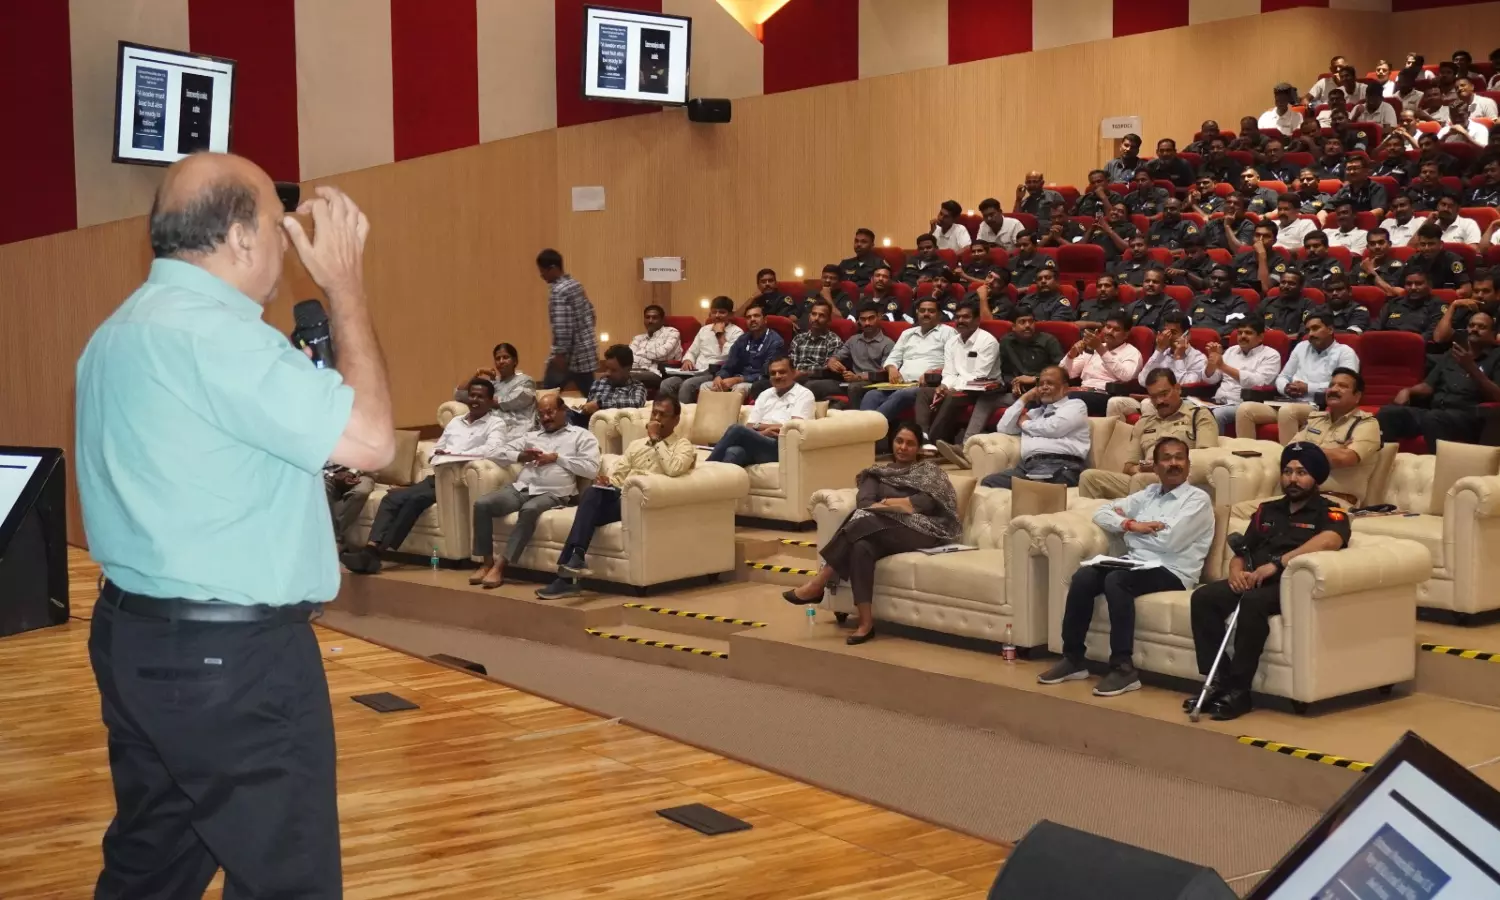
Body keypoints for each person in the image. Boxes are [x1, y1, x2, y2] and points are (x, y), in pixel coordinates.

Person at [76, 155, 391, 896]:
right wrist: (346, 289)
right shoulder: (219, 338)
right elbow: (374, 442)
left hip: (134, 638)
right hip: (232, 664)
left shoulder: (118, 331)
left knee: (152, 867)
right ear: (242, 238)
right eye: (279, 226)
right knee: (287, 878)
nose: (287, 242)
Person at [1189, 443, 1351, 721]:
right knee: (1204, 598)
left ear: (1316, 478)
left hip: (1288, 585)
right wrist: (1236, 571)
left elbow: (1331, 541)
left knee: (1252, 603)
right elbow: (1243, 550)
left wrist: (1278, 564)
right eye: (1287, 471)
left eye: (1301, 473)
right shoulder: (1267, 510)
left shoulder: (1330, 512)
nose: (1292, 479)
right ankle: (1218, 681)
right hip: (1253, 579)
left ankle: (1240, 690)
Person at [1041, 437, 1214, 697]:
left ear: (1188, 464)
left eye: (1180, 458)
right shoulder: (1149, 494)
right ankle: (1073, 658)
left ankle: (1123, 668)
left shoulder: (1197, 500)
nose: (1174, 464)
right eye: (1166, 458)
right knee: (1084, 576)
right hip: (1136, 562)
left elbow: (1169, 542)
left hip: (1174, 570)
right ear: (1155, 466)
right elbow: (1102, 512)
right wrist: (1132, 525)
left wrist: (1131, 535)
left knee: (1117, 580)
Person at [783, 422, 961, 645]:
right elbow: (865, 502)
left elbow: (927, 503)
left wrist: (892, 502)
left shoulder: (929, 472)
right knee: (861, 547)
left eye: (910, 443)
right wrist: (896, 507)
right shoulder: (876, 474)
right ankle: (865, 624)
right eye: (899, 441)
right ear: (892, 442)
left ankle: (820, 581)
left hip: (923, 529)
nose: (903, 447)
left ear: (918, 448)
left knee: (862, 520)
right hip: (881, 527)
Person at [535, 396, 697, 599]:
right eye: (654, 413)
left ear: (676, 420)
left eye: (663, 415)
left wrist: (656, 440)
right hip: (619, 497)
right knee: (592, 493)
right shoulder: (637, 445)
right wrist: (607, 481)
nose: (656, 418)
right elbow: (619, 475)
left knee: (589, 510)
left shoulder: (683, 446)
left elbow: (673, 469)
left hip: (642, 502)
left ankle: (566, 578)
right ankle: (576, 559)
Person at [344, 378, 507, 574]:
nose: (474, 400)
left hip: (459, 483)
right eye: (472, 395)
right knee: (391, 498)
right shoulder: (456, 422)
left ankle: (376, 554)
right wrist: (440, 454)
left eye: (480, 397)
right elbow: (436, 449)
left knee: (414, 500)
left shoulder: (495, 423)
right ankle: (371, 549)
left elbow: (492, 450)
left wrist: (455, 454)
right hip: (437, 476)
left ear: (490, 401)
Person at [470, 393, 601, 589]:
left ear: (563, 410)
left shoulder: (581, 436)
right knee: (482, 504)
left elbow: (591, 469)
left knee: (530, 510)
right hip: (522, 488)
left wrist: (557, 458)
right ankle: (486, 563)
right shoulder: (531, 436)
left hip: (555, 493)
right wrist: (521, 456)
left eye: (550, 412)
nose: (545, 418)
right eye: (541, 414)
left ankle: (500, 566)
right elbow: (493, 452)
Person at [938, 305, 1066, 469]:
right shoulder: (1006, 342)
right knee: (987, 399)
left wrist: (1036, 379)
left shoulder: (1048, 341)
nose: (1028, 325)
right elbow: (1004, 372)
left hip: (1046, 393)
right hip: (1018, 394)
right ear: (1013, 326)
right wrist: (1013, 383)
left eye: (1031, 321)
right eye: (1022, 322)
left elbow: (1062, 371)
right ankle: (966, 447)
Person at [1081, 369, 1218, 500]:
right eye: (1153, 397)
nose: (1159, 401)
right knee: (1089, 478)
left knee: (1141, 480)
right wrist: (1143, 467)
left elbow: (1205, 461)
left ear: (1177, 388)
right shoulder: (1145, 422)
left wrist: (1162, 467)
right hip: (1143, 479)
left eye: (1164, 394)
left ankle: (1138, 514)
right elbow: (1129, 467)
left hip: (1180, 481)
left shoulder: (1198, 415)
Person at [1377, 309, 1500, 447]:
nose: (1474, 329)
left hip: (1468, 418)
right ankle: (1387, 458)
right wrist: (1408, 390)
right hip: (1436, 413)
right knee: (1389, 413)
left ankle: (1441, 461)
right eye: (1471, 325)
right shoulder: (1453, 354)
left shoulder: (1496, 357)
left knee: (1434, 419)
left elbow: (1497, 395)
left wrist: (1471, 367)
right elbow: (1428, 385)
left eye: (1481, 327)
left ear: (1493, 333)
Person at [1235, 312, 1360, 441]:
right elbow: (1283, 376)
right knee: (1245, 409)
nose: (1310, 334)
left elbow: (1345, 386)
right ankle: (1245, 452)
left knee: (1288, 411)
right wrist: (1286, 387)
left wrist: (1308, 388)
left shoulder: (1345, 352)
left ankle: (1289, 453)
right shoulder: (1301, 347)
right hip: (1288, 401)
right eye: (1308, 330)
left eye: (1315, 328)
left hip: (1318, 405)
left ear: (1330, 329)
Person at [981, 366, 1091, 488]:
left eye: (1050, 383)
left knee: (1036, 485)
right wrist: (1025, 398)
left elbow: (1054, 428)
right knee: (989, 482)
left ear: (1065, 388)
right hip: (1027, 467)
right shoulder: (1035, 413)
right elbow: (1003, 427)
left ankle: (1031, 489)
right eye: (1041, 384)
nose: (1044, 387)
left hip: (1062, 464)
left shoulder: (1075, 406)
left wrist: (1025, 424)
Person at [1288, 368, 1382, 504]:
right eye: (1331, 385)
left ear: (1357, 396)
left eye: (1342, 386)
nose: (1333, 389)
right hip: (1298, 495)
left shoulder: (1367, 424)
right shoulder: (1315, 419)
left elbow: (1345, 459)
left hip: (1335, 499)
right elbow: (1290, 451)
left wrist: (1305, 450)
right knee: (1256, 510)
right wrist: (1335, 451)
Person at [860, 297, 954, 423]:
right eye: (922, 310)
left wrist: (935, 372)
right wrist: (891, 368)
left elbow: (954, 363)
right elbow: (893, 357)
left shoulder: (948, 333)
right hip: (901, 384)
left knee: (901, 395)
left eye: (931, 311)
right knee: (871, 395)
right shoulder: (907, 333)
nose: (926, 314)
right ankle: (869, 429)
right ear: (917, 313)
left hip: (927, 385)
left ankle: (868, 427)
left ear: (939, 314)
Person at [708, 356, 814, 467]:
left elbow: (794, 428)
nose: (777, 376)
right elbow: (750, 425)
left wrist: (759, 426)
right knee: (734, 452)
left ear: (793, 372)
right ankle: (716, 477)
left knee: (736, 429)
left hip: (783, 445)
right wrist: (765, 432)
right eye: (773, 373)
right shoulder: (765, 394)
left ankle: (706, 467)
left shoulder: (804, 394)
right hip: (761, 441)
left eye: (782, 372)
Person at [917, 302, 999, 445]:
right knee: (924, 392)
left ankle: (934, 442)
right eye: (958, 317)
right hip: (957, 387)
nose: (960, 320)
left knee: (951, 397)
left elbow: (979, 376)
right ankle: (922, 437)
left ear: (977, 320)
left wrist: (951, 388)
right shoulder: (952, 342)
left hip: (982, 389)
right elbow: (949, 372)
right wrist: (944, 386)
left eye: (966, 317)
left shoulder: (988, 342)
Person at [661, 296, 744, 404]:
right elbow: (692, 351)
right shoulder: (704, 330)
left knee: (688, 385)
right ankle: (670, 411)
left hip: (715, 373)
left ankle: (686, 413)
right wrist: (688, 360)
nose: (717, 315)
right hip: (695, 371)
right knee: (667, 383)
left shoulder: (737, 332)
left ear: (730, 315)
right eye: (714, 312)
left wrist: (720, 335)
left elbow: (730, 356)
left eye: (722, 312)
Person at [1204, 319, 1283, 433]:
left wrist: (1223, 366)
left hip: (1244, 404)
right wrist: (1212, 362)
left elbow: (1258, 382)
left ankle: (1213, 444)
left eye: (1248, 333)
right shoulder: (1231, 351)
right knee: (1189, 407)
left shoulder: (1271, 355)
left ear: (1260, 337)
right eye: (1240, 333)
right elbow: (1212, 380)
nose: (1243, 336)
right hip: (1217, 401)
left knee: (1217, 414)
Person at [539, 248, 597, 394]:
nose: (541, 275)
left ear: (553, 268)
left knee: (548, 394)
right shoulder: (575, 285)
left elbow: (562, 327)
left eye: (543, 271)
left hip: (569, 356)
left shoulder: (558, 291)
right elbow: (591, 313)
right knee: (591, 393)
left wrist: (560, 354)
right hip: (586, 351)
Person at [760, 298, 843, 400]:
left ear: (829, 320)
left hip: (820, 380)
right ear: (809, 317)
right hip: (795, 377)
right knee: (761, 385)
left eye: (821, 315)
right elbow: (791, 363)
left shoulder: (834, 340)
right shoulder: (799, 338)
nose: (816, 318)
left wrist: (804, 373)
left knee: (808, 386)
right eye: (814, 314)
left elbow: (829, 371)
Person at [1064, 312, 1143, 415]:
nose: (1109, 332)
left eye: (1116, 329)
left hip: (1108, 396)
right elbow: (1066, 374)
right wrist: (1070, 355)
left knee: (1070, 398)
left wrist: (1100, 349)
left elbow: (1126, 377)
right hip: (1083, 391)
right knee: (1052, 394)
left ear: (1126, 335)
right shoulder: (1095, 348)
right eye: (1108, 327)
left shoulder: (1132, 352)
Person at [456, 341, 537, 437]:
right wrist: (478, 373)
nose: (501, 361)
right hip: (490, 427)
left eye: (505, 357)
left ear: (515, 361)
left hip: (518, 429)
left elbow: (511, 401)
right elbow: (460, 394)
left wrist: (482, 400)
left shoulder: (525, 381)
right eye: (498, 358)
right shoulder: (493, 383)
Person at [705, 301, 784, 397]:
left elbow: (767, 374)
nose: (752, 319)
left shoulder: (775, 341)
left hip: (757, 381)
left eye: (756, 316)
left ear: (765, 319)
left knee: (740, 388)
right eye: (748, 317)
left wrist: (739, 379)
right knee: (706, 387)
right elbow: (729, 364)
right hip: (736, 379)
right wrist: (719, 376)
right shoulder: (742, 339)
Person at [829, 301, 895, 409]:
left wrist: (858, 377)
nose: (867, 323)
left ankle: (856, 418)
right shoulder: (853, 340)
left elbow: (884, 374)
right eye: (863, 319)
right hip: (851, 382)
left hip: (874, 384)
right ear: (858, 320)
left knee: (854, 387)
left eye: (871, 318)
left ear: (879, 317)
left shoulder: (888, 344)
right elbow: (837, 356)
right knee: (815, 386)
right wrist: (832, 361)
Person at [570, 344, 647, 427]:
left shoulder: (637, 387)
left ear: (628, 369)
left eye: (613, 370)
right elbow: (588, 409)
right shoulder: (598, 383)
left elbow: (636, 403)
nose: (608, 373)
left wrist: (600, 405)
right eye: (607, 368)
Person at [1404, 223, 1473, 295]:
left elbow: (1466, 290)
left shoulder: (1454, 261)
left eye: (1431, 244)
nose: (1426, 248)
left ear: (1441, 244)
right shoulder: (1413, 260)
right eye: (1423, 244)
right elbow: (1398, 286)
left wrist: (1445, 295)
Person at [1139, 312, 1207, 384]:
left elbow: (1185, 386)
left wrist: (1178, 358)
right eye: (1166, 332)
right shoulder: (1161, 354)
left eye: (1173, 332)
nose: (1168, 337)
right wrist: (1159, 350)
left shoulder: (1198, 359)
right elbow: (1143, 381)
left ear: (1187, 335)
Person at [1376, 269, 1445, 338]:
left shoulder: (1437, 306)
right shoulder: (1393, 303)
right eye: (1409, 284)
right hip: (1387, 342)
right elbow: (1375, 329)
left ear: (1430, 285)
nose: (1413, 288)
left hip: (1417, 343)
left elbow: (1431, 334)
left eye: (1418, 283)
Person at [626, 304, 682, 391]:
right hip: (635, 369)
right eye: (647, 317)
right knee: (614, 376)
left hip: (659, 373)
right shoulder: (638, 338)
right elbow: (629, 357)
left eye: (654, 318)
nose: (650, 321)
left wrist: (639, 353)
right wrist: (651, 360)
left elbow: (662, 354)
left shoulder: (672, 332)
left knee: (623, 377)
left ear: (662, 320)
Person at [1188, 265, 1252, 335]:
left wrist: (1207, 335)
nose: (1216, 282)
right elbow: (1185, 323)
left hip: (1217, 339)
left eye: (1221, 279)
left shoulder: (1237, 303)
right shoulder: (1197, 300)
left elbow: (1233, 326)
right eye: (1213, 278)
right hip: (1190, 339)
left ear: (1231, 283)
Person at [1232, 219, 1290, 295]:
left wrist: (1262, 256)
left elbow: (1264, 289)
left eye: (1266, 236)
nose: (1260, 240)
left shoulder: (1280, 262)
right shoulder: (1241, 258)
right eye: (1257, 235)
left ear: (1274, 241)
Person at [325, 464, 374, 552]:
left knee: (361, 492)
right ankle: (333, 541)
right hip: (328, 477)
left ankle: (336, 539)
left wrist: (350, 473)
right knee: (321, 489)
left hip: (358, 475)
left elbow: (366, 460)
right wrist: (332, 476)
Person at [1260, 270, 1312, 334]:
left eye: (1291, 284)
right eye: (1283, 282)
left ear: (1301, 287)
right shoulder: (1267, 302)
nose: (1285, 286)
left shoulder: (1307, 305)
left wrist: (1281, 338)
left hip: (1294, 340)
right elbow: (1254, 326)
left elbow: (1306, 331)